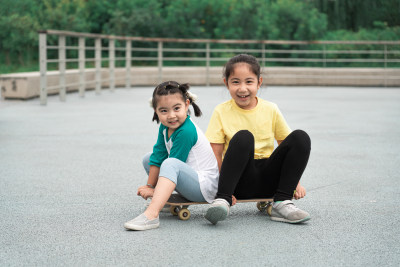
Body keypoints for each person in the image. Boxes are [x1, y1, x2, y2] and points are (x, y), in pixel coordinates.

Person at [204, 54, 311, 225]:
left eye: (249, 82)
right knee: (244, 136)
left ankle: (282, 202)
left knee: (300, 137)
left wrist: (295, 183)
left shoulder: (271, 109)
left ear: (259, 83)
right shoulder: (221, 111)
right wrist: (222, 188)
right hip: (238, 181)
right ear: (226, 83)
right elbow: (215, 153)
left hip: (269, 180)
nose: (242, 88)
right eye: (236, 82)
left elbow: (286, 145)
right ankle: (222, 200)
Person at [124, 81, 219, 231]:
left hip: (203, 186)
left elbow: (174, 163)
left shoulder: (186, 131)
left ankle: (151, 215)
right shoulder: (165, 126)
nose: (171, 116)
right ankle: (164, 201)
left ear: (186, 105)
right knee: (149, 159)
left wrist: (154, 191)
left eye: (177, 108)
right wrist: (150, 186)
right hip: (188, 178)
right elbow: (158, 155)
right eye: (164, 111)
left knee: (170, 163)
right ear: (156, 111)